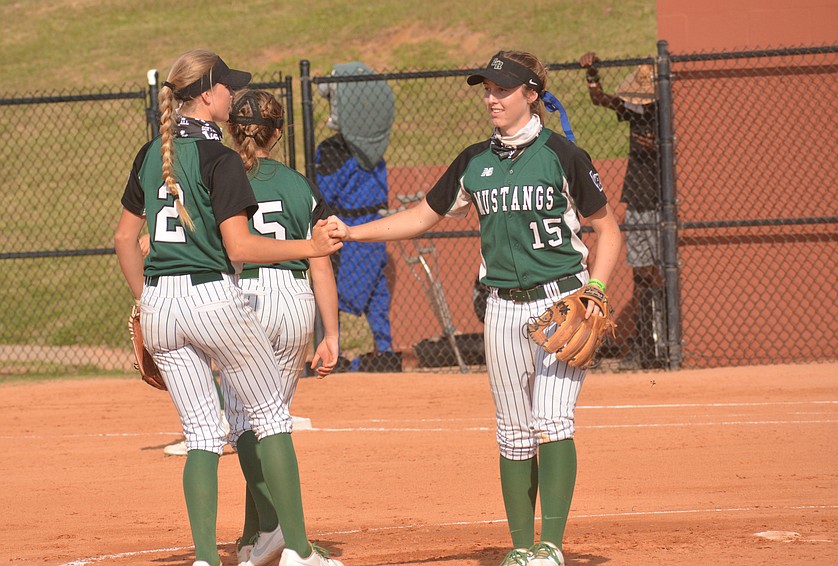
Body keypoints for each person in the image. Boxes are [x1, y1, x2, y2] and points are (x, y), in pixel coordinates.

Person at [329, 50, 623, 566]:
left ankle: (550, 546)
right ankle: (522, 547)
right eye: (486, 88)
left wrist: (595, 288)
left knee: (552, 420)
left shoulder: (563, 155)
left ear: (532, 94)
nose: (491, 97)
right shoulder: (474, 161)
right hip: (502, 310)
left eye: (503, 89)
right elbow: (421, 217)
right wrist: (353, 232)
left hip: (562, 301)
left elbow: (608, 230)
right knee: (512, 430)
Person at [113, 49, 344, 566]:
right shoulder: (219, 159)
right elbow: (240, 249)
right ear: (207, 94)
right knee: (270, 419)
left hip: (161, 306)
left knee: (202, 434)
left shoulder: (151, 153)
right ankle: (300, 553)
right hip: (212, 297)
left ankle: (205, 559)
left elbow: (126, 238)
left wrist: (144, 298)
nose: (232, 96)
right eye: (227, 88)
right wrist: (311, 248)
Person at [224, 88, 340, 566]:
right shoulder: (299, 185)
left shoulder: (220, 175)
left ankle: (276, 530)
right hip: (293, 300)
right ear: (278, 133)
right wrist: (330, 333)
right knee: (269, 418)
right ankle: (256, 534)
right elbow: (320, 263)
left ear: (232, 131)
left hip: (241, 297)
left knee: (246, 423)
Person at [579, 52, 664, 370]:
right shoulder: (636, 111)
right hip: (640, 199)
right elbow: (600, 99)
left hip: (663, 202)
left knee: (659, 275)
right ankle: (644, 347)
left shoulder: (668, 115)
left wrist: (658, 145)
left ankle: (661, 345)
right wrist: (592, 74)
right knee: (641, 275)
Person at [315, 62, 401, 373]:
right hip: (373, 227)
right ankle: (385, 349)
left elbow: (325, 193)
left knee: (336, 290)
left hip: (347, 228)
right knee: (376, 289)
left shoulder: (332, 154)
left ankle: (332, 351)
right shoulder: (373, 154)